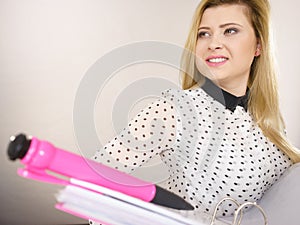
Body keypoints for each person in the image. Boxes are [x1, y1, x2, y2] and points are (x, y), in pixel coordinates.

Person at [90, 0, 300, 224]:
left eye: (230, 31)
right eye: (204, 34)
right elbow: (92, 183)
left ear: (259, 45)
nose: (213, 43)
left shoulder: (269, 118)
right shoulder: (174, 110)